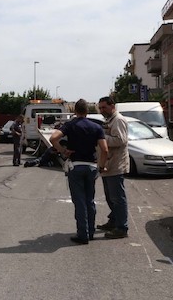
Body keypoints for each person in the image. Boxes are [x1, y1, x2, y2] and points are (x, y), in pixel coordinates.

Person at [50, 99, 108, 245]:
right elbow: (105, 149)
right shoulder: (96, 127)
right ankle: (91, 232)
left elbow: (53, 138)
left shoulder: (70, 125)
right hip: (92, 167)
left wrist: (63, 151)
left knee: (79, 201)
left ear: (75, 111)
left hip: (76, 166)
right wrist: (101, 166)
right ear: (87, 111)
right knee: (90, 200)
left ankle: (83, 234)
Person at [97, 96, 129, 239]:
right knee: (110, 197)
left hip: (116, 165)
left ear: (112, 106)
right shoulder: (110, 120)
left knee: (117, 198)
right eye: (100, 107)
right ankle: (114, 221)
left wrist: (101, 137)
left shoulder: (118, 120)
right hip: (108, 164)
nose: (101, 110)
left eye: (104, 107)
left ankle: (122, 227)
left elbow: (120, 140)